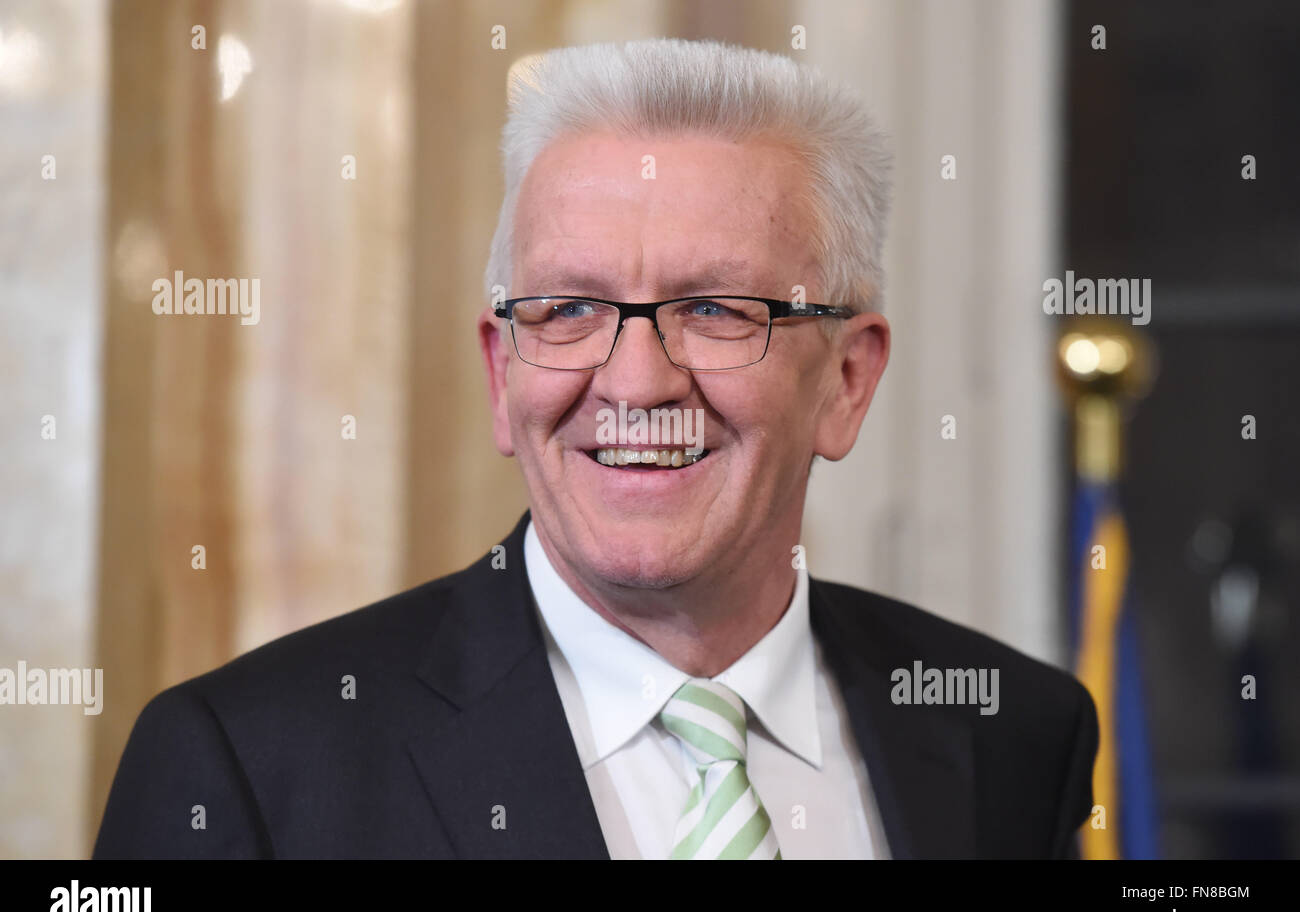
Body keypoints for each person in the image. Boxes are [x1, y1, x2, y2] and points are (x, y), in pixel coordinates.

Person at [94, 38, 1097, 860]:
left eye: (712, 307)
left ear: (845, 379)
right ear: (501, 373)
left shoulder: (1013, 732)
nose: (633, 380)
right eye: (569, 308)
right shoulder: (249, 765)